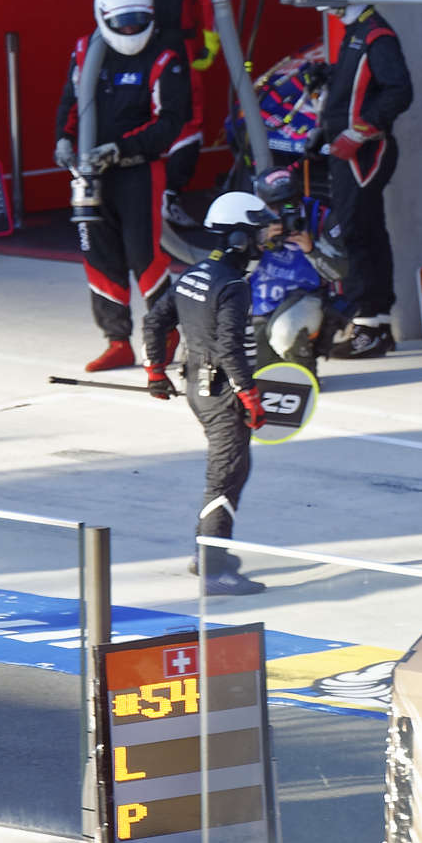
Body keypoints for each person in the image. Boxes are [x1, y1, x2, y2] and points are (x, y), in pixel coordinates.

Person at [59, 0, 193, 374]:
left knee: (146, 256)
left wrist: (120, 149)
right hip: (89, 174)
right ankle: (116, 341)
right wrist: (64, 141)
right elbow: (69, 103)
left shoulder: (166, 55)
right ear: (104, 18)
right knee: (99, 257)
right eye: (124, 22)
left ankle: (165, 334)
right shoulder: (85, 51)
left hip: (138, 171)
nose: (132, 29)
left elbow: (170, 122)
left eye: (139, 21)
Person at [148, 192, 278, 597]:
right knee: (226, 477)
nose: (262, 241)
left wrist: (156, 371)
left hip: (197, 386)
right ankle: (214, 570)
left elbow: (155, 320)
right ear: (239, 238)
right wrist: (250, 395)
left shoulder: (194, 273)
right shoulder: (234, 284)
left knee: (227, 474)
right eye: (257, 233)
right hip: (223, 392)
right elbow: (229, 347)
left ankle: (206, 551)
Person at [314, 0, 414, 361]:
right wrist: (330, 77)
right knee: (367, 233)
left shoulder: (377, 34)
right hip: (350, 151)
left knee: (357, 236)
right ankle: (376, 326)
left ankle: (366, 326)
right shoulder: (357, 30)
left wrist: (357, 134)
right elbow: (362, 83)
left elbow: (399, 91)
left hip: (364, 154)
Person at [113, 0, 213, 205]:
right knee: (187, 120)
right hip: (177, 46)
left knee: (139, 114)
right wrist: (211, 37)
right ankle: (169, 195)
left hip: (130, 46)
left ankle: (147, 194)